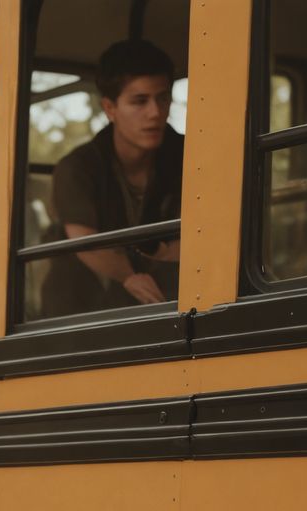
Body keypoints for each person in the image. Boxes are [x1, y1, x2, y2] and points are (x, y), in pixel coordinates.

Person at [44, 38, 185, 317]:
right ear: (110, 108)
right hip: (81, 313)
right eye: (139, 101)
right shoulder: (77, 167)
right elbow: (83, 240)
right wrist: (129, 276)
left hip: (171, 305)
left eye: (163, 98)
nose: (155, 113)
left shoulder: (189, 156)